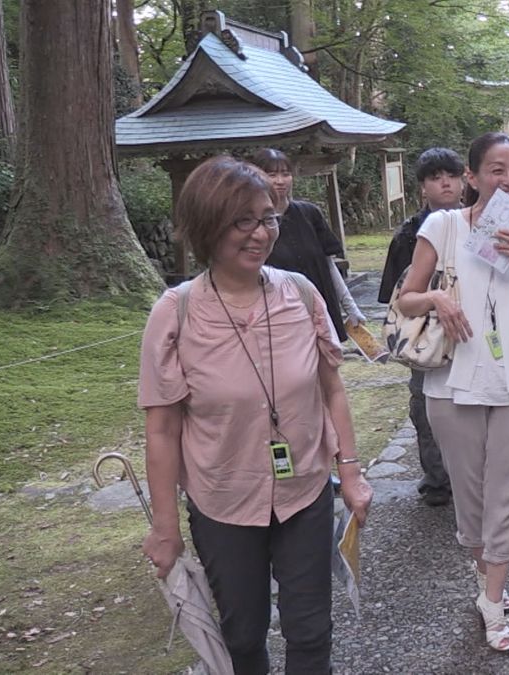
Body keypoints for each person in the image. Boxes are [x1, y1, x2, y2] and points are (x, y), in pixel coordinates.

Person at [138, 156, 373, 674]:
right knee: (242, 636)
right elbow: (162, 428)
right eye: (242, 221)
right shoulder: (174, 312)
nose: (260, 234)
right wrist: (164, 526)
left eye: (267, 218)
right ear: (206, 227)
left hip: (306, 490)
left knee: (311, 632)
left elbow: (331, 390)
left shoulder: (302, 294)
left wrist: (351, 472)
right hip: (221, 499)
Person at [397, 132, 509, 652]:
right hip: (452, 383)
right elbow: (407, 298)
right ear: (472, 177)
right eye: (495, 170)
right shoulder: (442, 225)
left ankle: (492, 598)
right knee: (470, 498)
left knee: (506, 494)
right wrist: (439, 296)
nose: (508, 180)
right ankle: (486, 576)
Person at [377, 147, 465, 506]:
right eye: (434, 177)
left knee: (473, 405)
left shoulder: (480, 225)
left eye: (451, 175)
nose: (444, 182)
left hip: (468, 331)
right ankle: (437, 479)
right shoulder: (409, 234)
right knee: (424, 406)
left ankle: (471, 475)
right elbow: (395, 296)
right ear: (422, 187)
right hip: (425, 336)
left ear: (464, 181)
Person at [252, 148, 365, 342]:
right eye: (272, 175)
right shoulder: (253, 222)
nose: (280, 181)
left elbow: (329, 266)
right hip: (280, 317)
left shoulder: (310, 214)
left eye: (285, 174)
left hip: (321, 307)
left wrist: (351, 308)